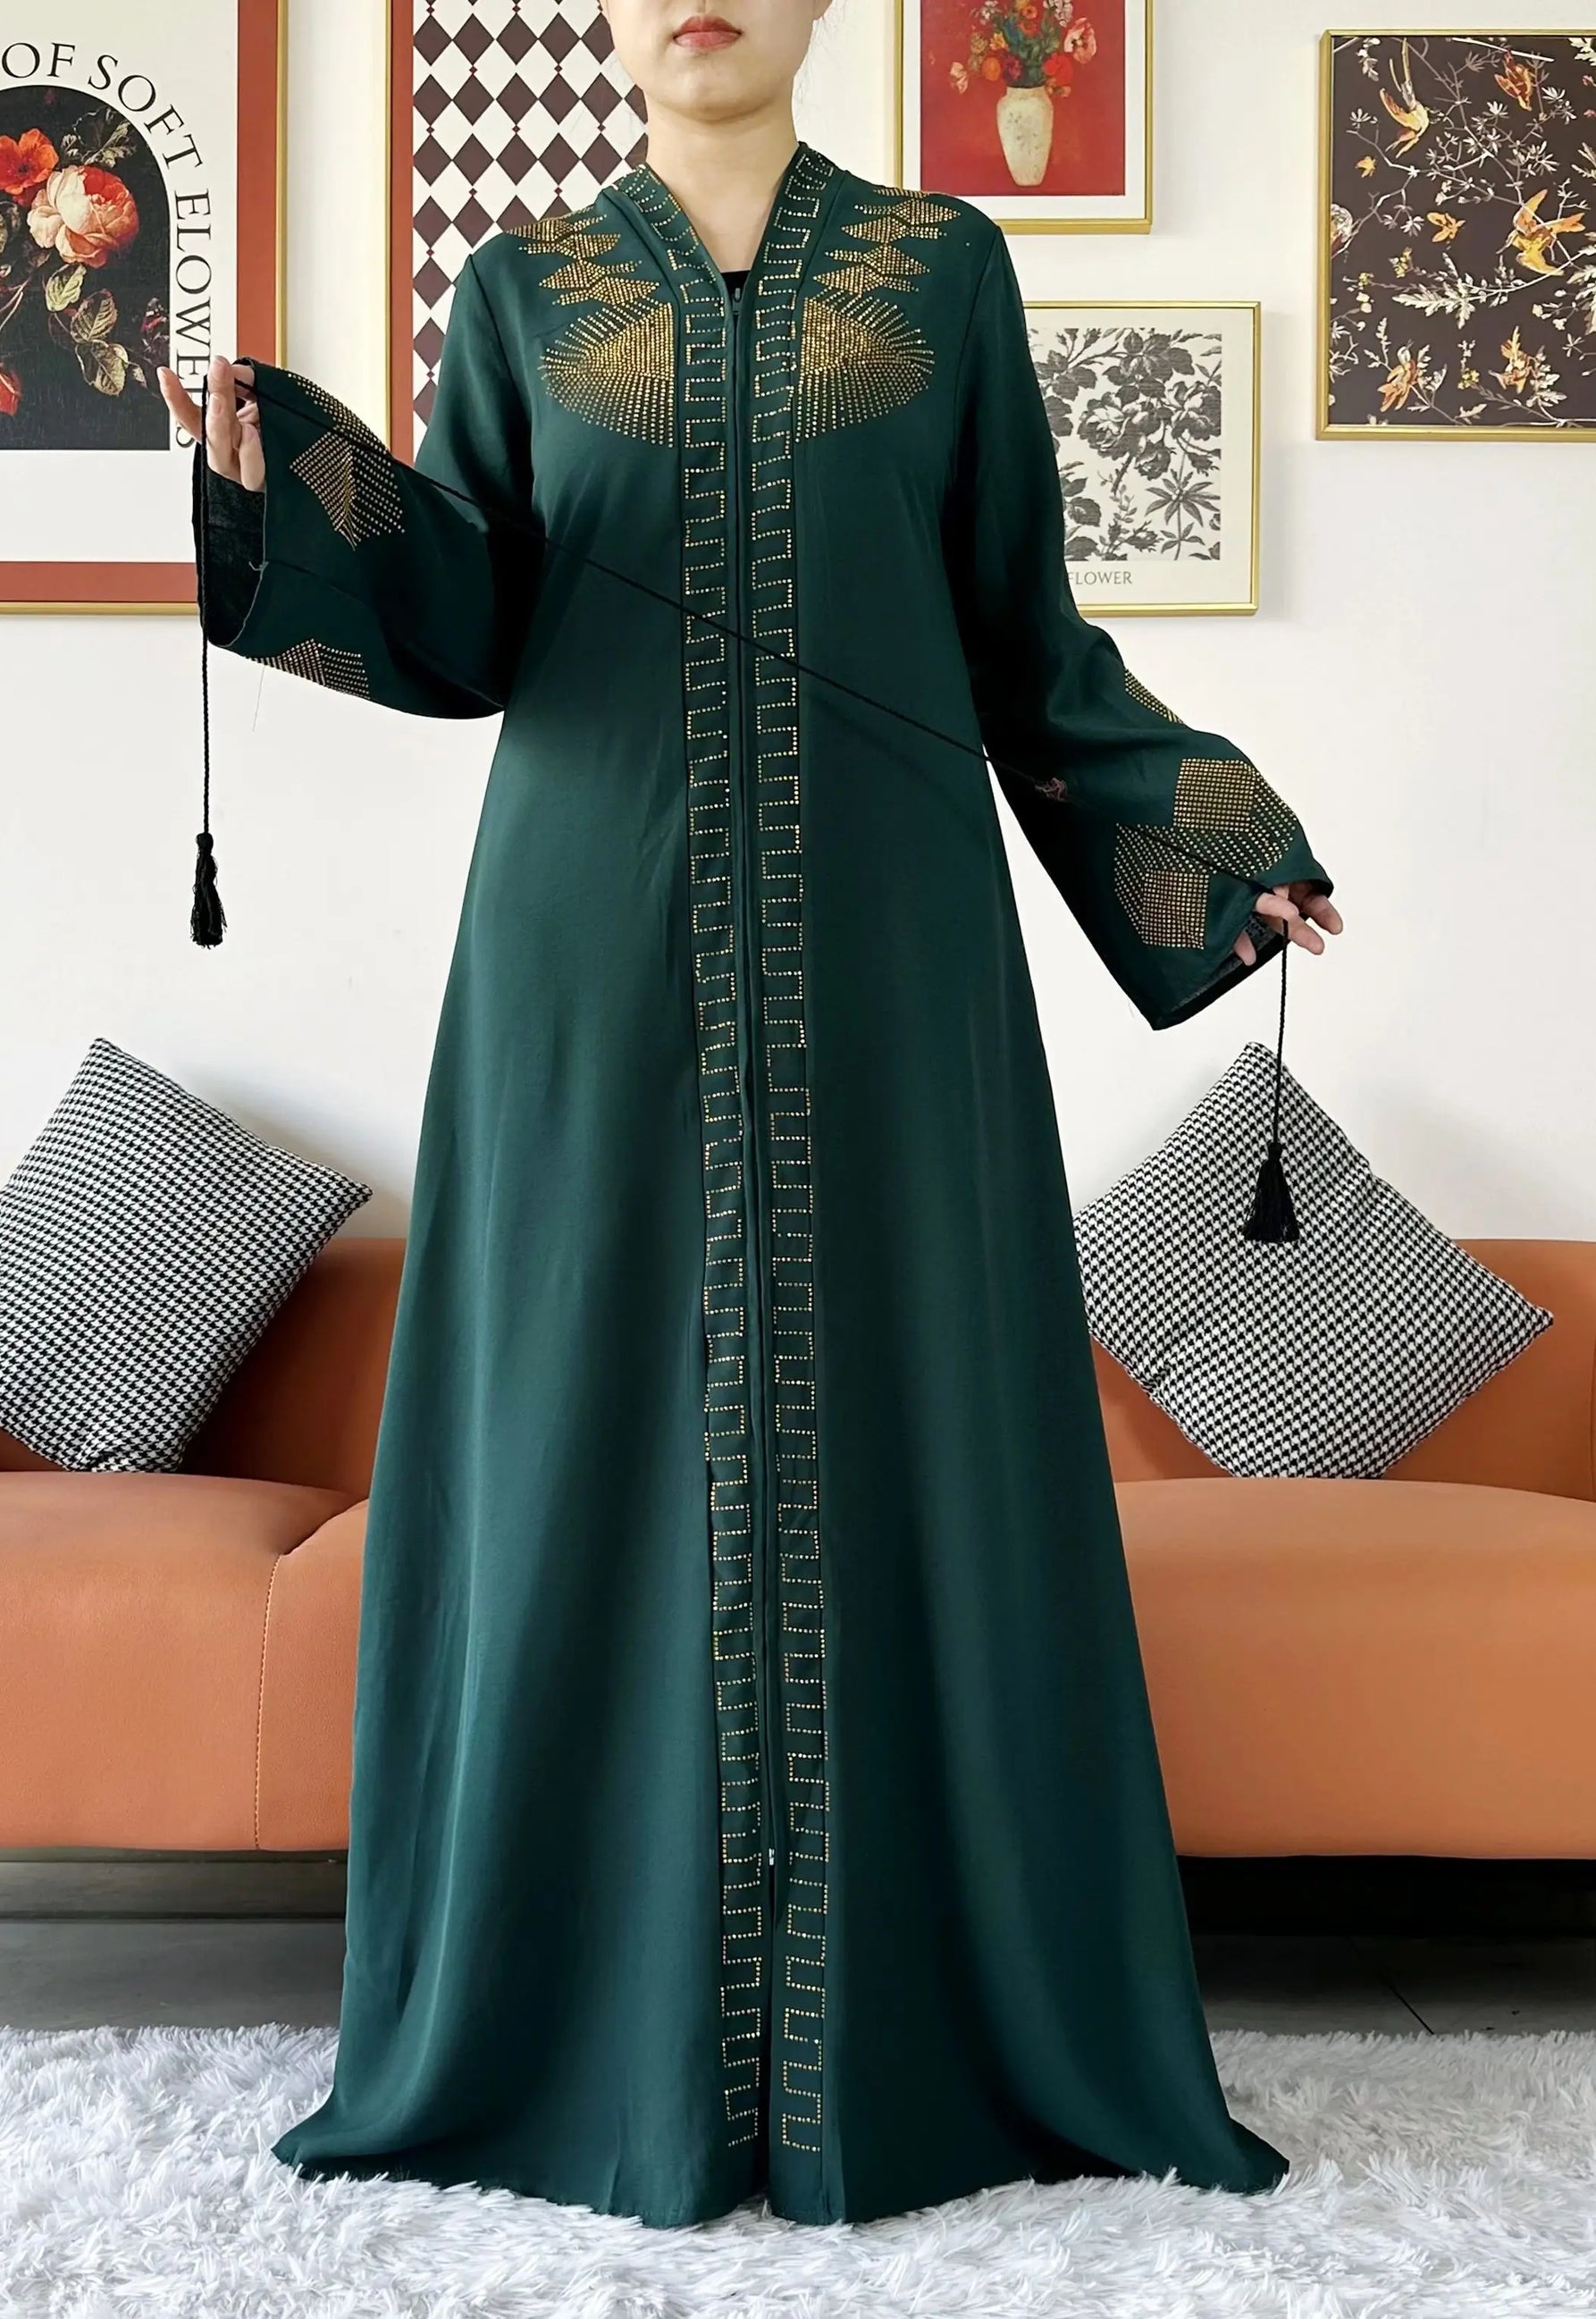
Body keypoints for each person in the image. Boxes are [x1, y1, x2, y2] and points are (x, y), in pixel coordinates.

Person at [157, 0, 1342, 2233]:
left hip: (891, 946)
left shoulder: (939, 270)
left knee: (915, 1410)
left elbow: (1024, 637)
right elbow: (466, 618)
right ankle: (580, 2031)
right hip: (581, 956)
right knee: (580, 1420)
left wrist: (1217, 846)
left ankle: (916, 2032)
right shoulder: (521, 290)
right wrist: (282, 472)